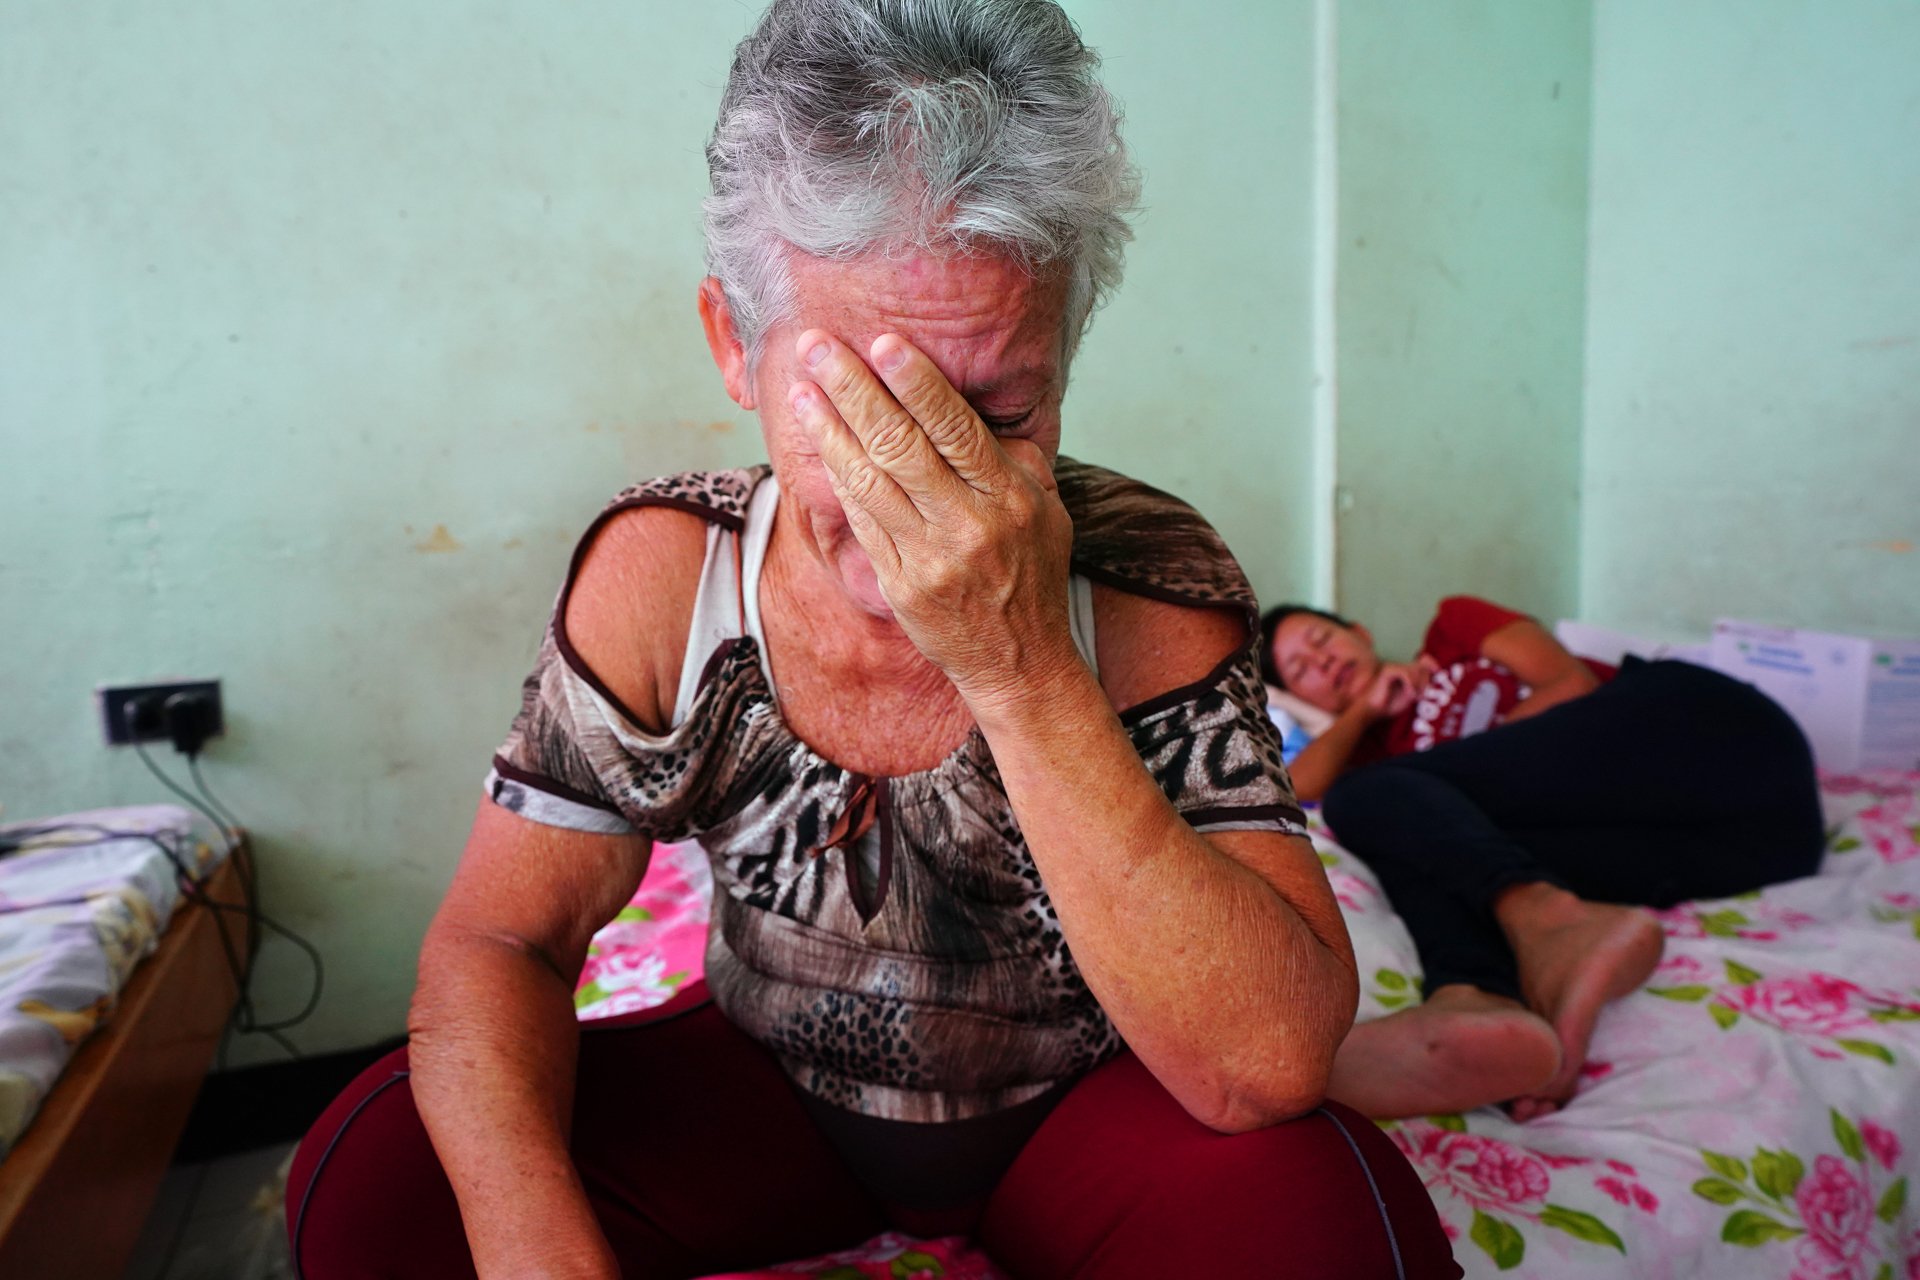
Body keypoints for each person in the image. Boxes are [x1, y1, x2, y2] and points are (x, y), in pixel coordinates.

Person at [287, 4, 1460, 1278]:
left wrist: (1017, 663)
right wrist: (537, 1247)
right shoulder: (670, 577)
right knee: (378, 1176)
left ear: (1064, 361)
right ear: (735, 344)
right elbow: (496, 939)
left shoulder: (1145, 578)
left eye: (1003, 412)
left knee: (1337, 1227)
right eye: (863, 404)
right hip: (769, 1088)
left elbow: (1261, 1062)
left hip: (1084, 1104)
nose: (935, 483)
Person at [1260, 596, 1825, 1122]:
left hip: (1716, 738)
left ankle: (1550, 923)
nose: (1321, 660)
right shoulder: (1376, 761)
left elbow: (1569, 681)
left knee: (1368, 799)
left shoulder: (1453, 628)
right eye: (1302, 670)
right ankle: (1478, 1005)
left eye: (1320, 639)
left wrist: (1437, 778)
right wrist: (1361, 715)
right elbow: (1293, 791)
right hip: (1747, 848)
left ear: (1359, 632)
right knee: (1413, 841)